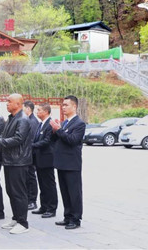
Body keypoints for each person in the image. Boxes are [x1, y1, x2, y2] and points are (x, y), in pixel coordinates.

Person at [0, 93, 32, 234]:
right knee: (11, 191)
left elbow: (17, 139)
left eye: (9, 101)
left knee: (19, 192)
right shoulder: (11, 118)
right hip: (9, 160)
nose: (6, 104)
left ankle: (23, 223)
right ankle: (16, 218)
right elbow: (5, 137)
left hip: (19, 161)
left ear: (18, 104)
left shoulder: (23, 120)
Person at [50, 95, 86, 230]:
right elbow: (55, 140)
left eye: (66, 105)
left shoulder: (79, 124)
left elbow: (72, 140)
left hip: (72, 164)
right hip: (61, 162)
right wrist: (55, 130)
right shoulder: (64, 123)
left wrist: (58, 130)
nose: (63, 107)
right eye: (63, 105)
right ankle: (67, 216)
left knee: (74, 192)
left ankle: (76, 219)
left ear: (74, 106)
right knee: (65, 191)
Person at [31, 103, 58, 218]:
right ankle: (44, 206)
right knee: (42, 183)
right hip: (39, 159)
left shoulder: (50, 124)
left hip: (47, 159)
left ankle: (51, 208)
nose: (37, 112)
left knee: (49, 184)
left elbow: (47, 141)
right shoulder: (40, 124)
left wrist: (32, 145)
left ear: (46, 112)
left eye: (39, 110)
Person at [23, 100, 39, 210]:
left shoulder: (32, 122)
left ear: (28, 109)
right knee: (27, 177)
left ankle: (32, 200)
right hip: (27, 154)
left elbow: (31, 140)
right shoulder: (28, 120)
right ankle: (28, 199)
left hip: (31, 154)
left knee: (31, 177)